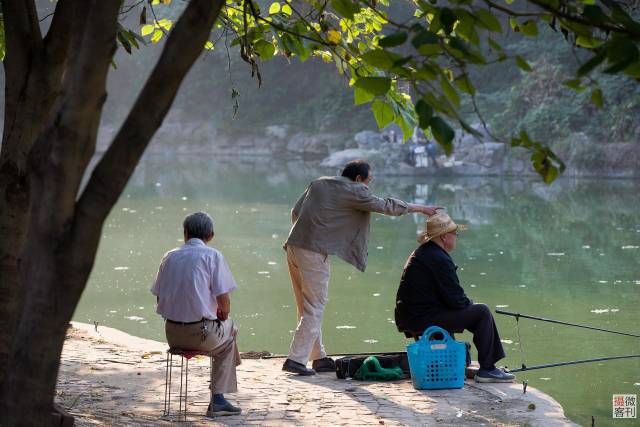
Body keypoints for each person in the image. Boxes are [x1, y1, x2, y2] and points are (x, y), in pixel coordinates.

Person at [282, 160, 442, 376]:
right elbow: (386, 205)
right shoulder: (354, 190)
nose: (368, 186)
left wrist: (310, 231)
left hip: (294, 245)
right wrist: (421, 208)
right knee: (315, 306)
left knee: (306, 304)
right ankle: (295, 360)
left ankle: (318, 357)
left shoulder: (319, 183)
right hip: (313, 251)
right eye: (369, 182)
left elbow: (296, 211)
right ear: (358, 179)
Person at [394, 211, 515, 382]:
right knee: (482, 312)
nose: (456, 237)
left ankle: (473, 366)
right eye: (454, 234)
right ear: (444, 237)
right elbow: (457, 300)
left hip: (412, 316)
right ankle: (487, 369)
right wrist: (471, 307)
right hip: (421, 318)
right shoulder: (439, 258)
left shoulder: (426, 252)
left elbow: (449, 297)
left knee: (472, 311)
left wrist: (466, 306)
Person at [151, 212, 242, 416]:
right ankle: (218, 399)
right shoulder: (212, 256)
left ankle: (223, 386)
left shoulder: (169, 256)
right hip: (200, 335)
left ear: (185, 233)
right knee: (231, 331)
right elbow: (224, 304)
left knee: (226, 334)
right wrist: (221, 316)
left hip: (172, 334)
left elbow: (159, 298)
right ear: (210, 235)